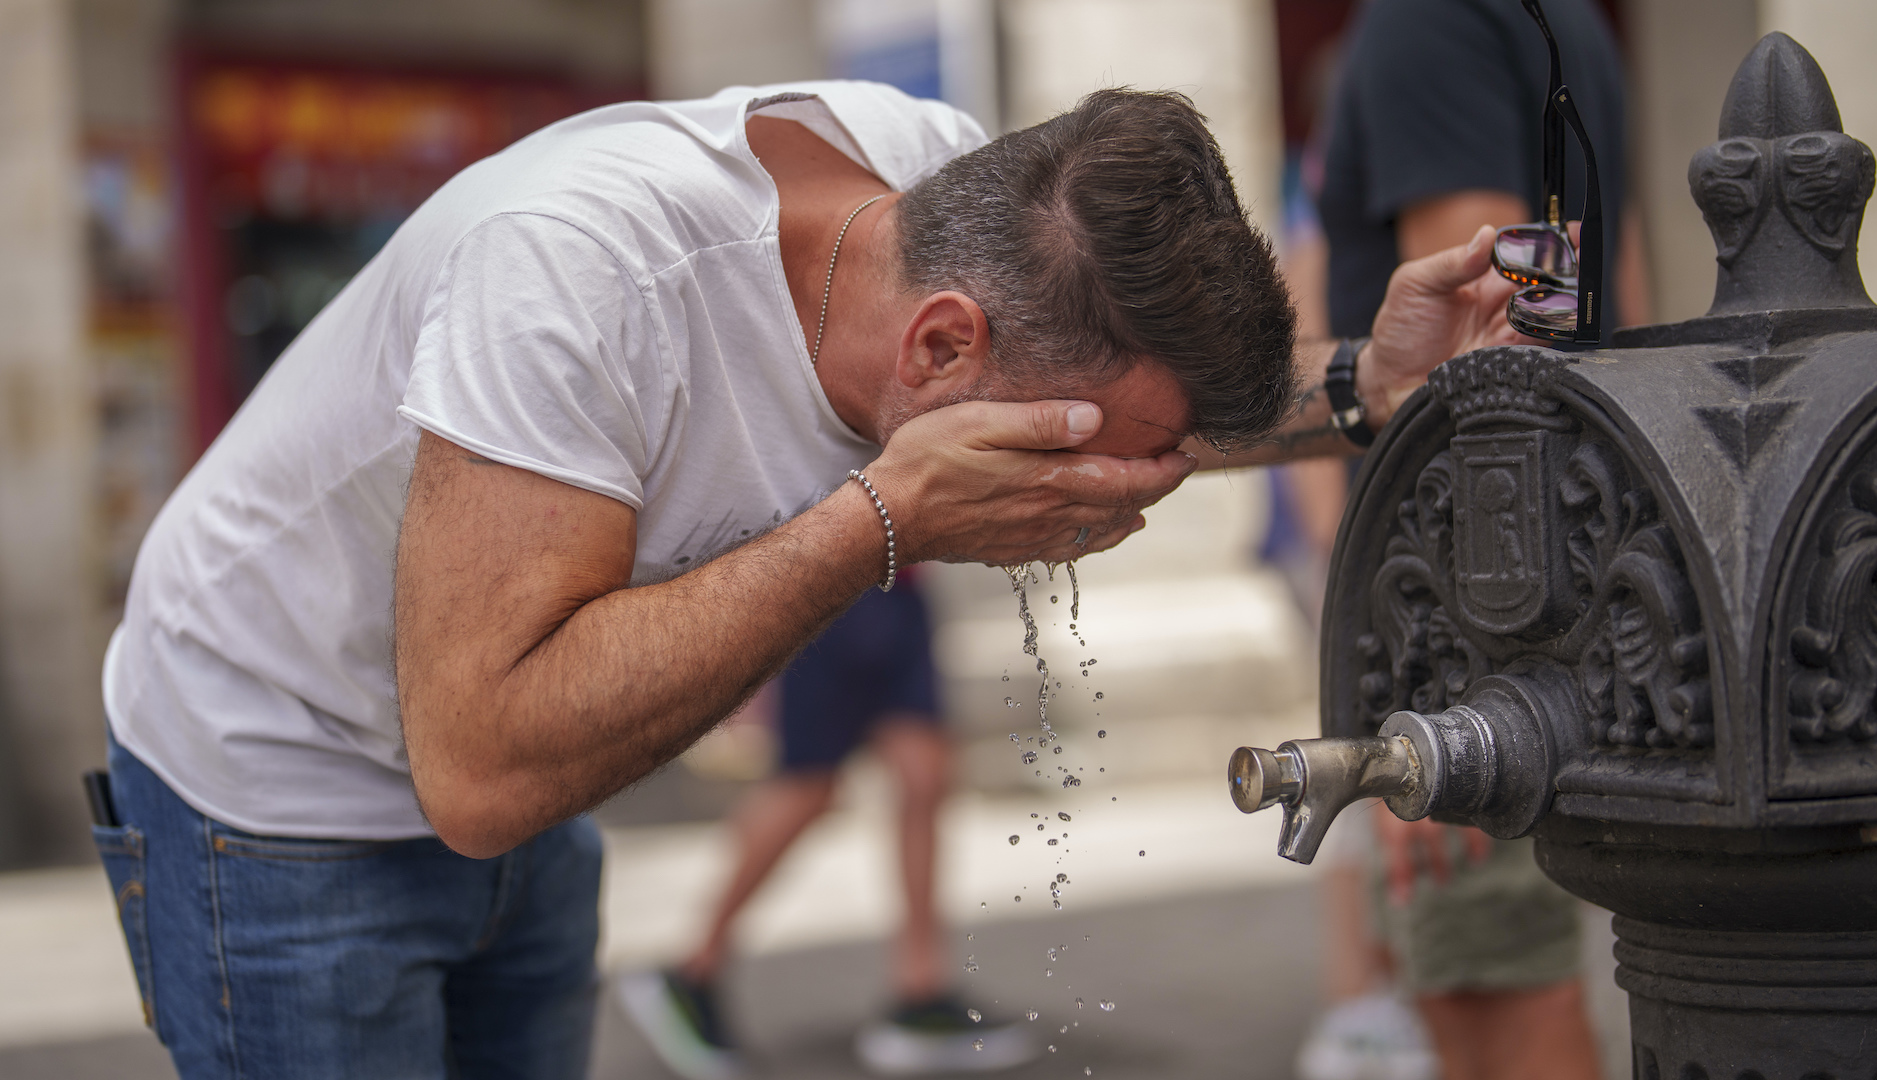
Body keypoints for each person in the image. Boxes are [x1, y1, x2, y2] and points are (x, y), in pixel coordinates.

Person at [92, 78, 1525, 1078]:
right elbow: (480, 766)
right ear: (943, 348)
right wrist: (881, 522)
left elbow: (1143, 409)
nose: (1118, 491)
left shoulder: (948, 198)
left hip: (525, 779)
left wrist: (1363, 383)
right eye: (1074, 454)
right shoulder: (576, 279)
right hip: (272, 777)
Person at [1301, 1, 1649, 1077]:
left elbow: (1485, 344)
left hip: (1479, 613)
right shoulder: (1561, 21)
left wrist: (1440, 681)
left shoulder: (1430, 19)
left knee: (1496, 998)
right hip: (1558, 572)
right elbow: (1616, 305)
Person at [623, 567, 1032, 1077]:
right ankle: (692, 970)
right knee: (809, 786)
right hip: (826, 586)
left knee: (924, 774)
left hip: (901, 583)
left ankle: (921, 993)